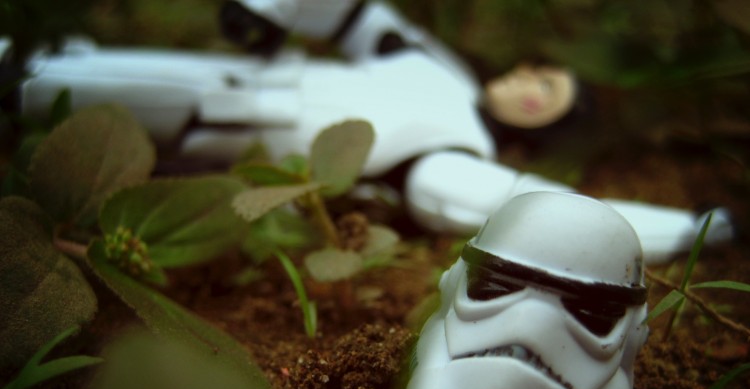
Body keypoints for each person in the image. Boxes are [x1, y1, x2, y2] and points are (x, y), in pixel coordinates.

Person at [15, 0, 732, 262]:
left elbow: (543, 211)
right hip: (244, 75)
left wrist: (693, 228)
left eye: (546, 95)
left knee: (84, 113)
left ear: (538, 129)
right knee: (71, 71)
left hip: (243, 141)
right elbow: (354, 13)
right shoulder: (440, 67)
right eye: (537, 71)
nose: (527, 82)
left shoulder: (458, 156)